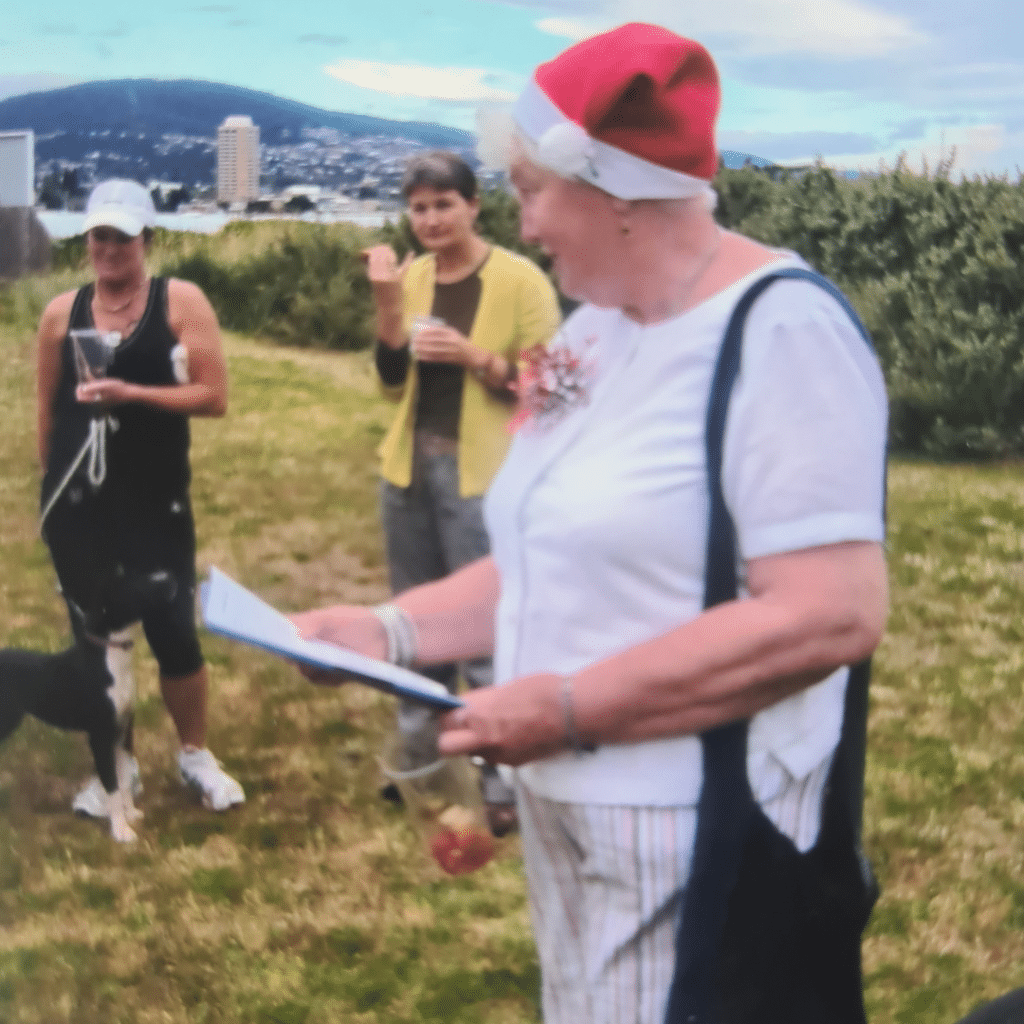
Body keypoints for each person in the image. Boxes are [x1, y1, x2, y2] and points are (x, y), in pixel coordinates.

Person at [293, 24, 888, 1024]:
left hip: (693, 834)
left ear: (616, 193)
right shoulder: (597, 325)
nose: (522, 226)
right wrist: (392, 630)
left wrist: (565, 708)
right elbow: (542, 550)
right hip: (570, 809)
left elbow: (829, 614)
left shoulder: (780, 332)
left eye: (528, 191)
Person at [363, 152, 559, 831]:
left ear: (475, 206)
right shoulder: (412, 278)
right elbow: (390, 382)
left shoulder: (519, 280)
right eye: (419, 208)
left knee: (484, 634)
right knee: (416, 622)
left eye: (444, 205)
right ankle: (421, 766)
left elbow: (552, 389)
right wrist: (388, 307)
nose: (431, 219)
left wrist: (476, 359)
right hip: (410, 470)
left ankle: (502, 784)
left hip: (483, 477)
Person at [36, 178, 244, 816]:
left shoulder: (179, 302)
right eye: (99, 235)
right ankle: (117, 770)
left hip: (156, 500)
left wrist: (134, 395)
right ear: (87, 239)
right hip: (83, 506)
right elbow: (46, 412)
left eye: (123, 237)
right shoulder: (59, 314)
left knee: (174, 632)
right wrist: (55, 491)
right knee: (98, 641)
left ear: (145, 239)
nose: (109, 248)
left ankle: (193, 755)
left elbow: (212, 396)